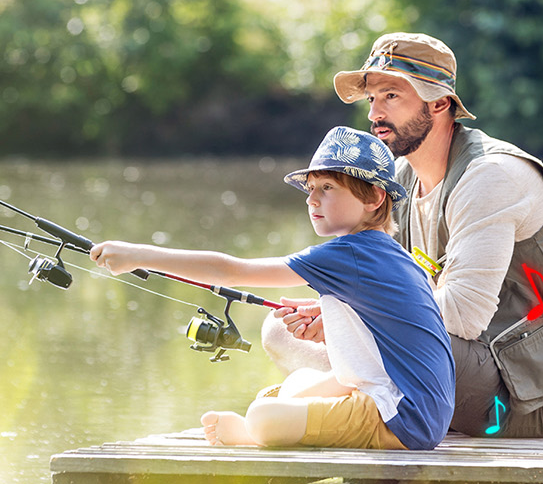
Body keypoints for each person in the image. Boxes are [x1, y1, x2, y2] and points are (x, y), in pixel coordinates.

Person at [264, 33, 543, 438]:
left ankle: (336, 406)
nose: (375, 114)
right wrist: (336, 308)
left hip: (540, 395)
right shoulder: (398, 180)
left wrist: (354, 314)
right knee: (278, 330)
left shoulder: (490, 176)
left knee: (355, 332)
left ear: (438, 103)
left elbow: (464, 316)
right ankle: (349, 404)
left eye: (392, 96)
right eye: (372, 99)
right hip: (460, 366)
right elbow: (390, 287)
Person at [90, 127, 454, 450]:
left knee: (265, 414)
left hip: (402, 420)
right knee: (293, 386)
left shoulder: (351, 253)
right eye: (311, 189)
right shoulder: (384, 250)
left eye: (327, 188)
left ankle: (251, 432)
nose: (312, 200)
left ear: (374, 198)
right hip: (415, 408)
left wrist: (139, 255)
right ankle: (264, 422)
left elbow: (231, 271)